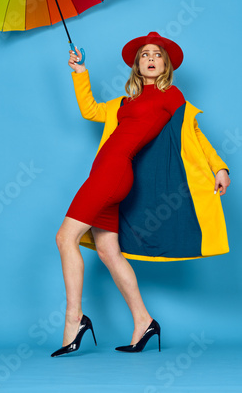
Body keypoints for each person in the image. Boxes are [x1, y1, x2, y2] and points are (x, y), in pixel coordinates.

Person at [51, 32, 230, 357]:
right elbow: (90, 110)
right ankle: (143, 321)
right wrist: (80, 71)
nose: (150, 58)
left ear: (166, 65)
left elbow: (193, 131)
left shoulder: (170, 96)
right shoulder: (124, 102)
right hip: (103, 172)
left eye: (157, 55)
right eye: (144, 55)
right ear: (136, 65)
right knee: (108, 252)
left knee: (65, 238)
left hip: (113, 173)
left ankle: (74, 319)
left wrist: (220, 167)